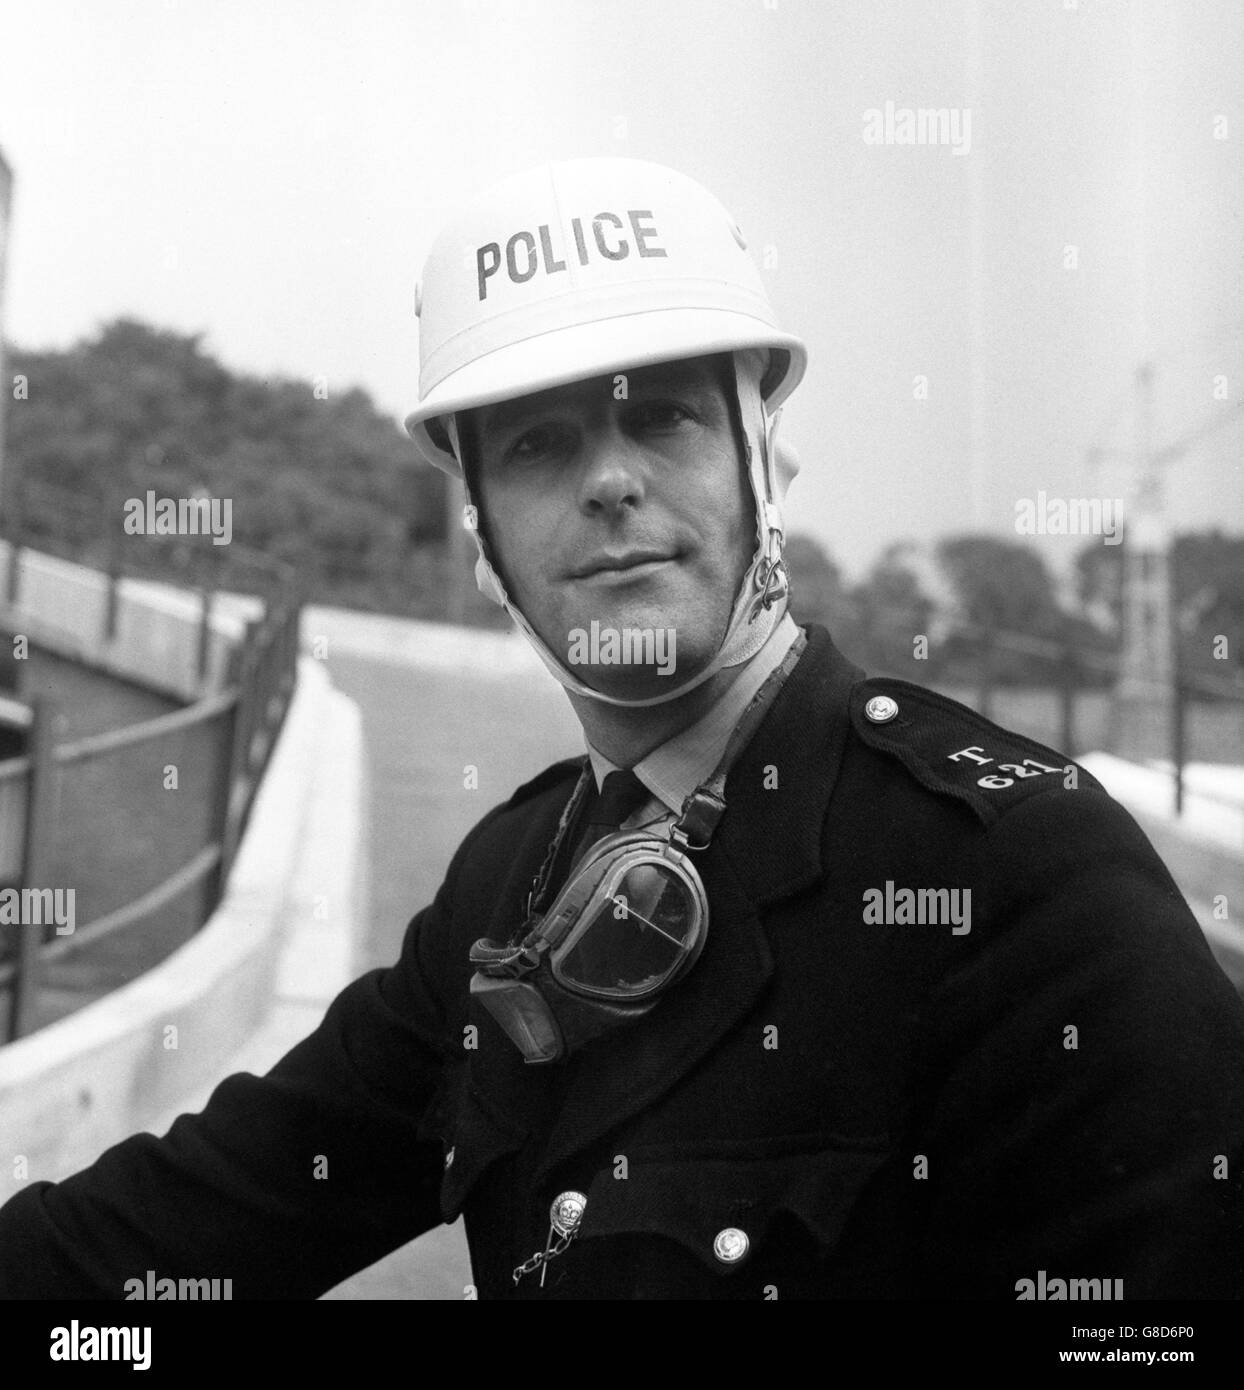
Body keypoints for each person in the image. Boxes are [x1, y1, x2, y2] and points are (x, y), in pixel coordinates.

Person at [1, 157, 1242, 1301]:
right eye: (540, 442)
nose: (607, 479)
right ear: (479, 526)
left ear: (762, 461)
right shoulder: (509, 884)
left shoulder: (1018, 874)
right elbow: (179, 1239)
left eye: (660, 417)